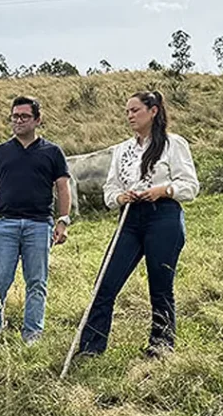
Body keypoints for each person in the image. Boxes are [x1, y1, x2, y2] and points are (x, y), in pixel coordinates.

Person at [77, 91, 199, 359]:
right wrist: (120, 197)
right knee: (105, 283)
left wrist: (163, 190)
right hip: (129, 219)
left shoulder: (173, 144)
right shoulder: (122, 149)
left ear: (153, 111)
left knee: (160, 282)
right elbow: (110, 188)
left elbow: (190, 185)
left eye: (135, 110)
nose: (130, 116)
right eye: (127, 112)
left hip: (163, 216)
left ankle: (161, 346)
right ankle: (90, 349)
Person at [0, 96, 71, 345]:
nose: (18, 121)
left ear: (37, 120)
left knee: (37, 282)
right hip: (4, 224)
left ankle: (32, 334)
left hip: (39, 225)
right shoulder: (0, 152)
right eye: (15, 116)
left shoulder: (52, 152)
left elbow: (63, 188)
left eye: (24, 116)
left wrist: (62, 221)